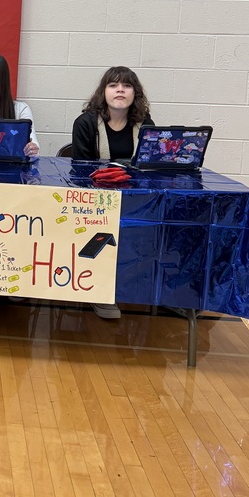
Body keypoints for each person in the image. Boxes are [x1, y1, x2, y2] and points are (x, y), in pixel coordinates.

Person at [71, 66, 154, 320]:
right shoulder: (85, 123)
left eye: (127, 86)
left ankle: (144, 289)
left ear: (135, 93)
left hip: (133, 197)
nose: (120, 90)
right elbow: (81, 171)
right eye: (113, 85)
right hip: (96, 199)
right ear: (103, 92)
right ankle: (100, 292)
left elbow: (150, 167)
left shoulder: (146, 124)